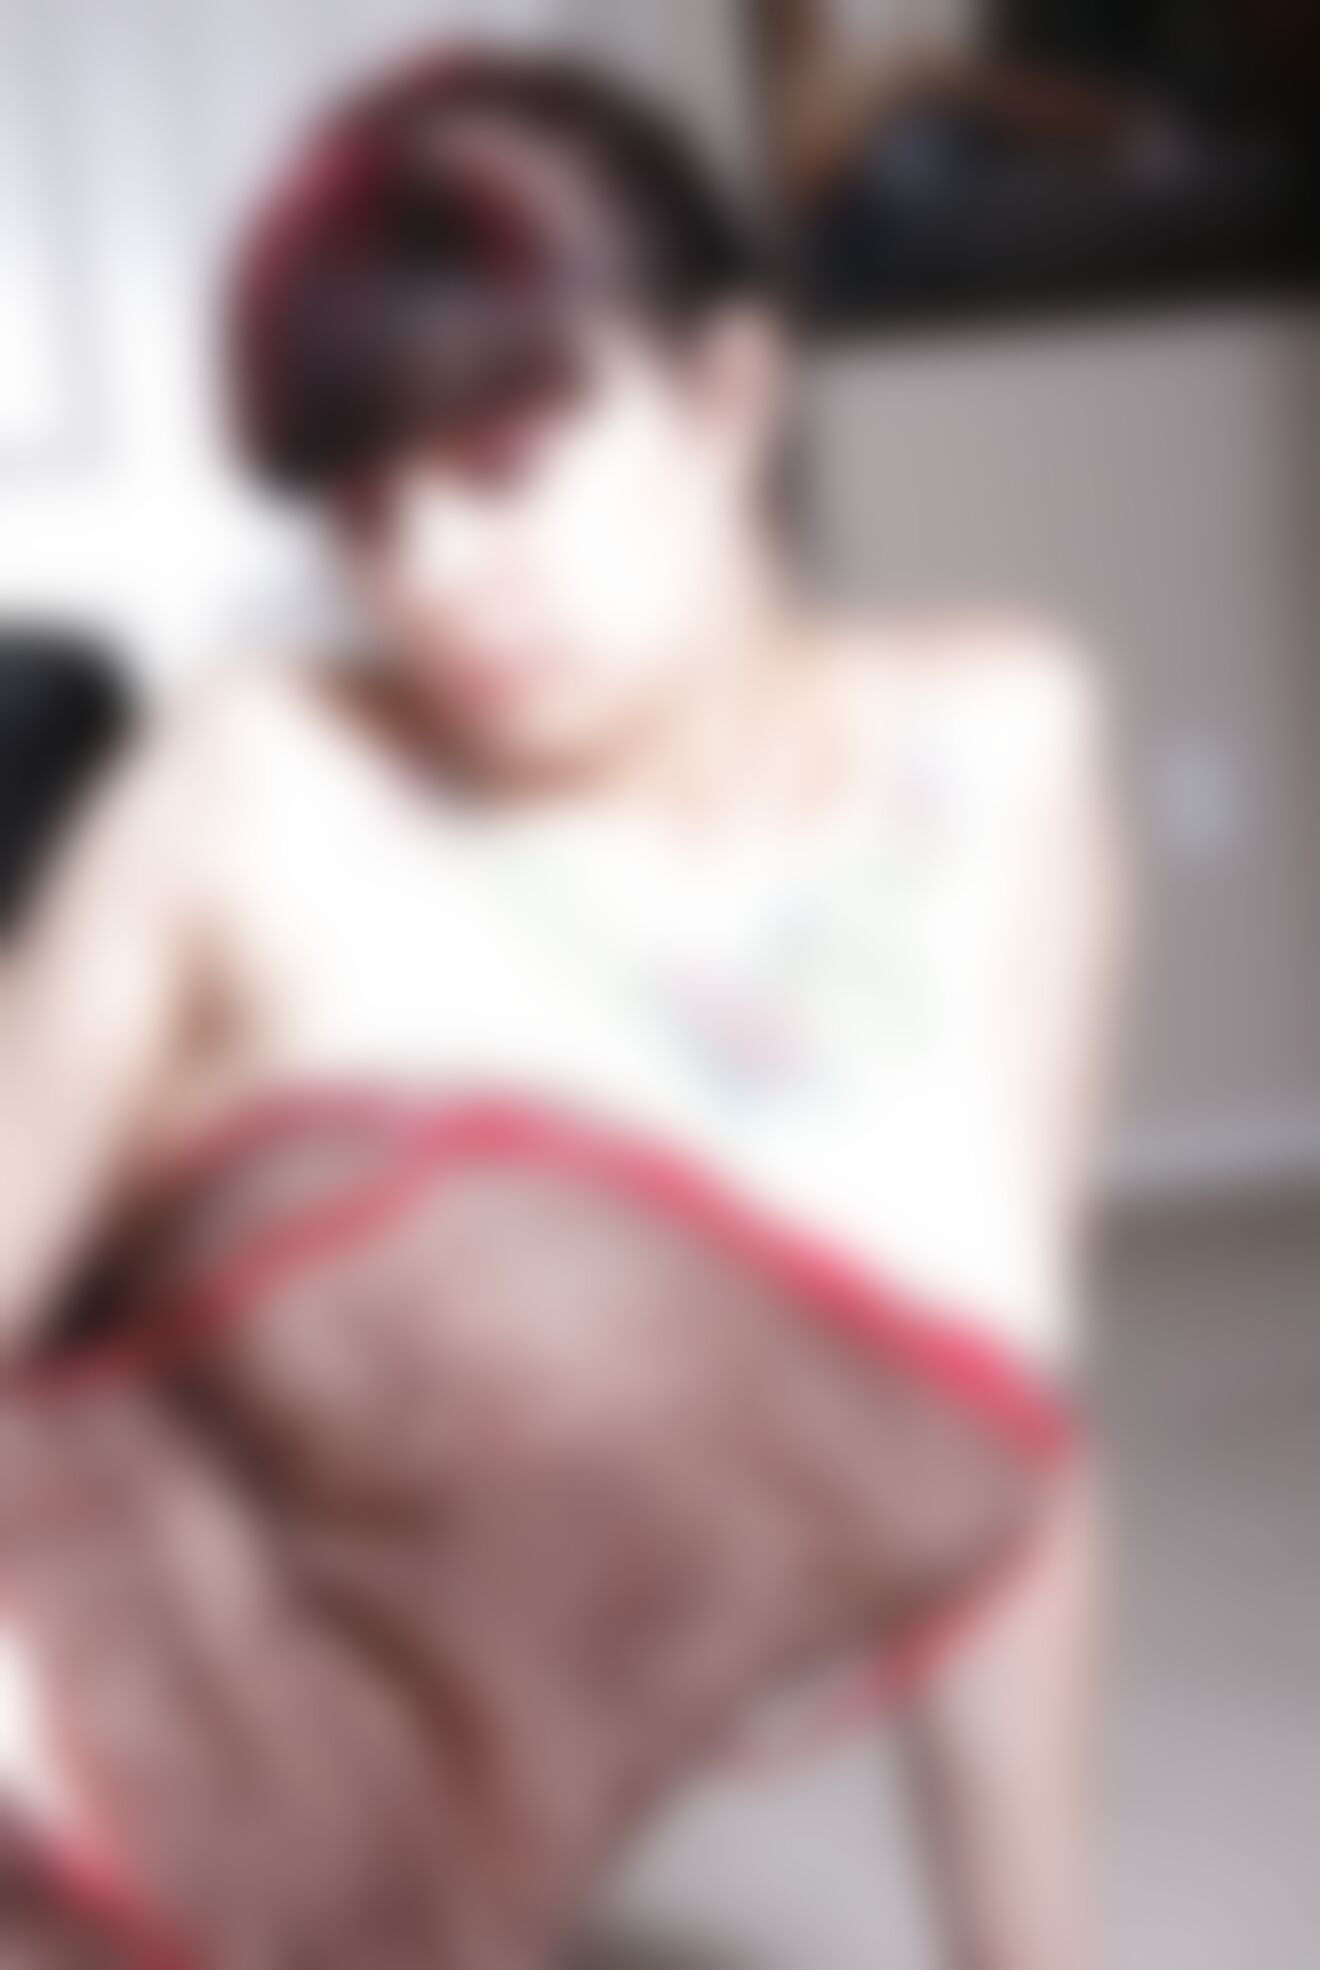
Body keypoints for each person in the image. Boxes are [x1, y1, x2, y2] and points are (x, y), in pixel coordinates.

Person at [0, 45, 1126, 1970]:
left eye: (502, 464)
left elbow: (998, 1435)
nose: (429, 575)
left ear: (728, 394)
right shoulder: (254, 782)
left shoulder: (996, 755)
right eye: (361, 504)